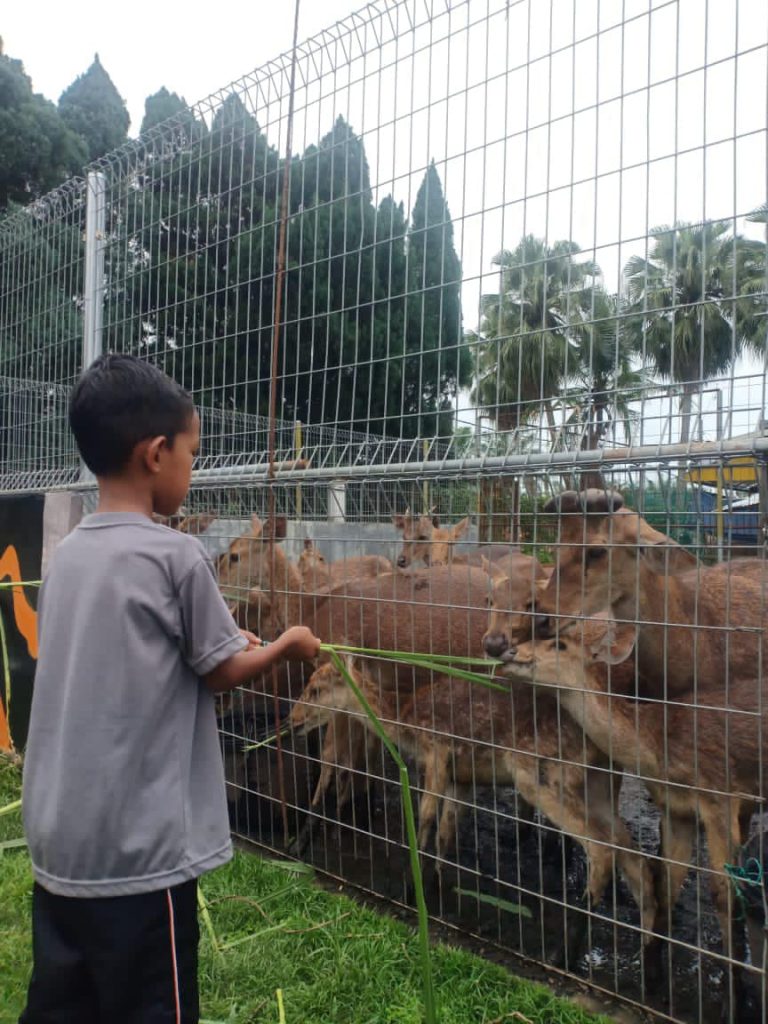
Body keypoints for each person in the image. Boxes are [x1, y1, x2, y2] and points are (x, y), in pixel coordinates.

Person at [19, 354, 321, 1023]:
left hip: (62, 846)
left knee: (65, 1004)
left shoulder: (67, 558)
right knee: (151, 1004)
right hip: (138, 857)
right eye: (193, 452)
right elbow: (220, 671)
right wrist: (285, 646)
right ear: (156, 454)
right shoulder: (176, 555)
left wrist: (222, 639)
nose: (194, 466)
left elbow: (138, 653)